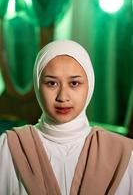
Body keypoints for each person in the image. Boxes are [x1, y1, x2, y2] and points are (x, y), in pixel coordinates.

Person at [0, 40, 133, 195]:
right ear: (37, 85)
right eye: (51, 83)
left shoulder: (123, 154)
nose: (63, 97)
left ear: (89, 84)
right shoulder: (9, 147)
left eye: (74, 83)